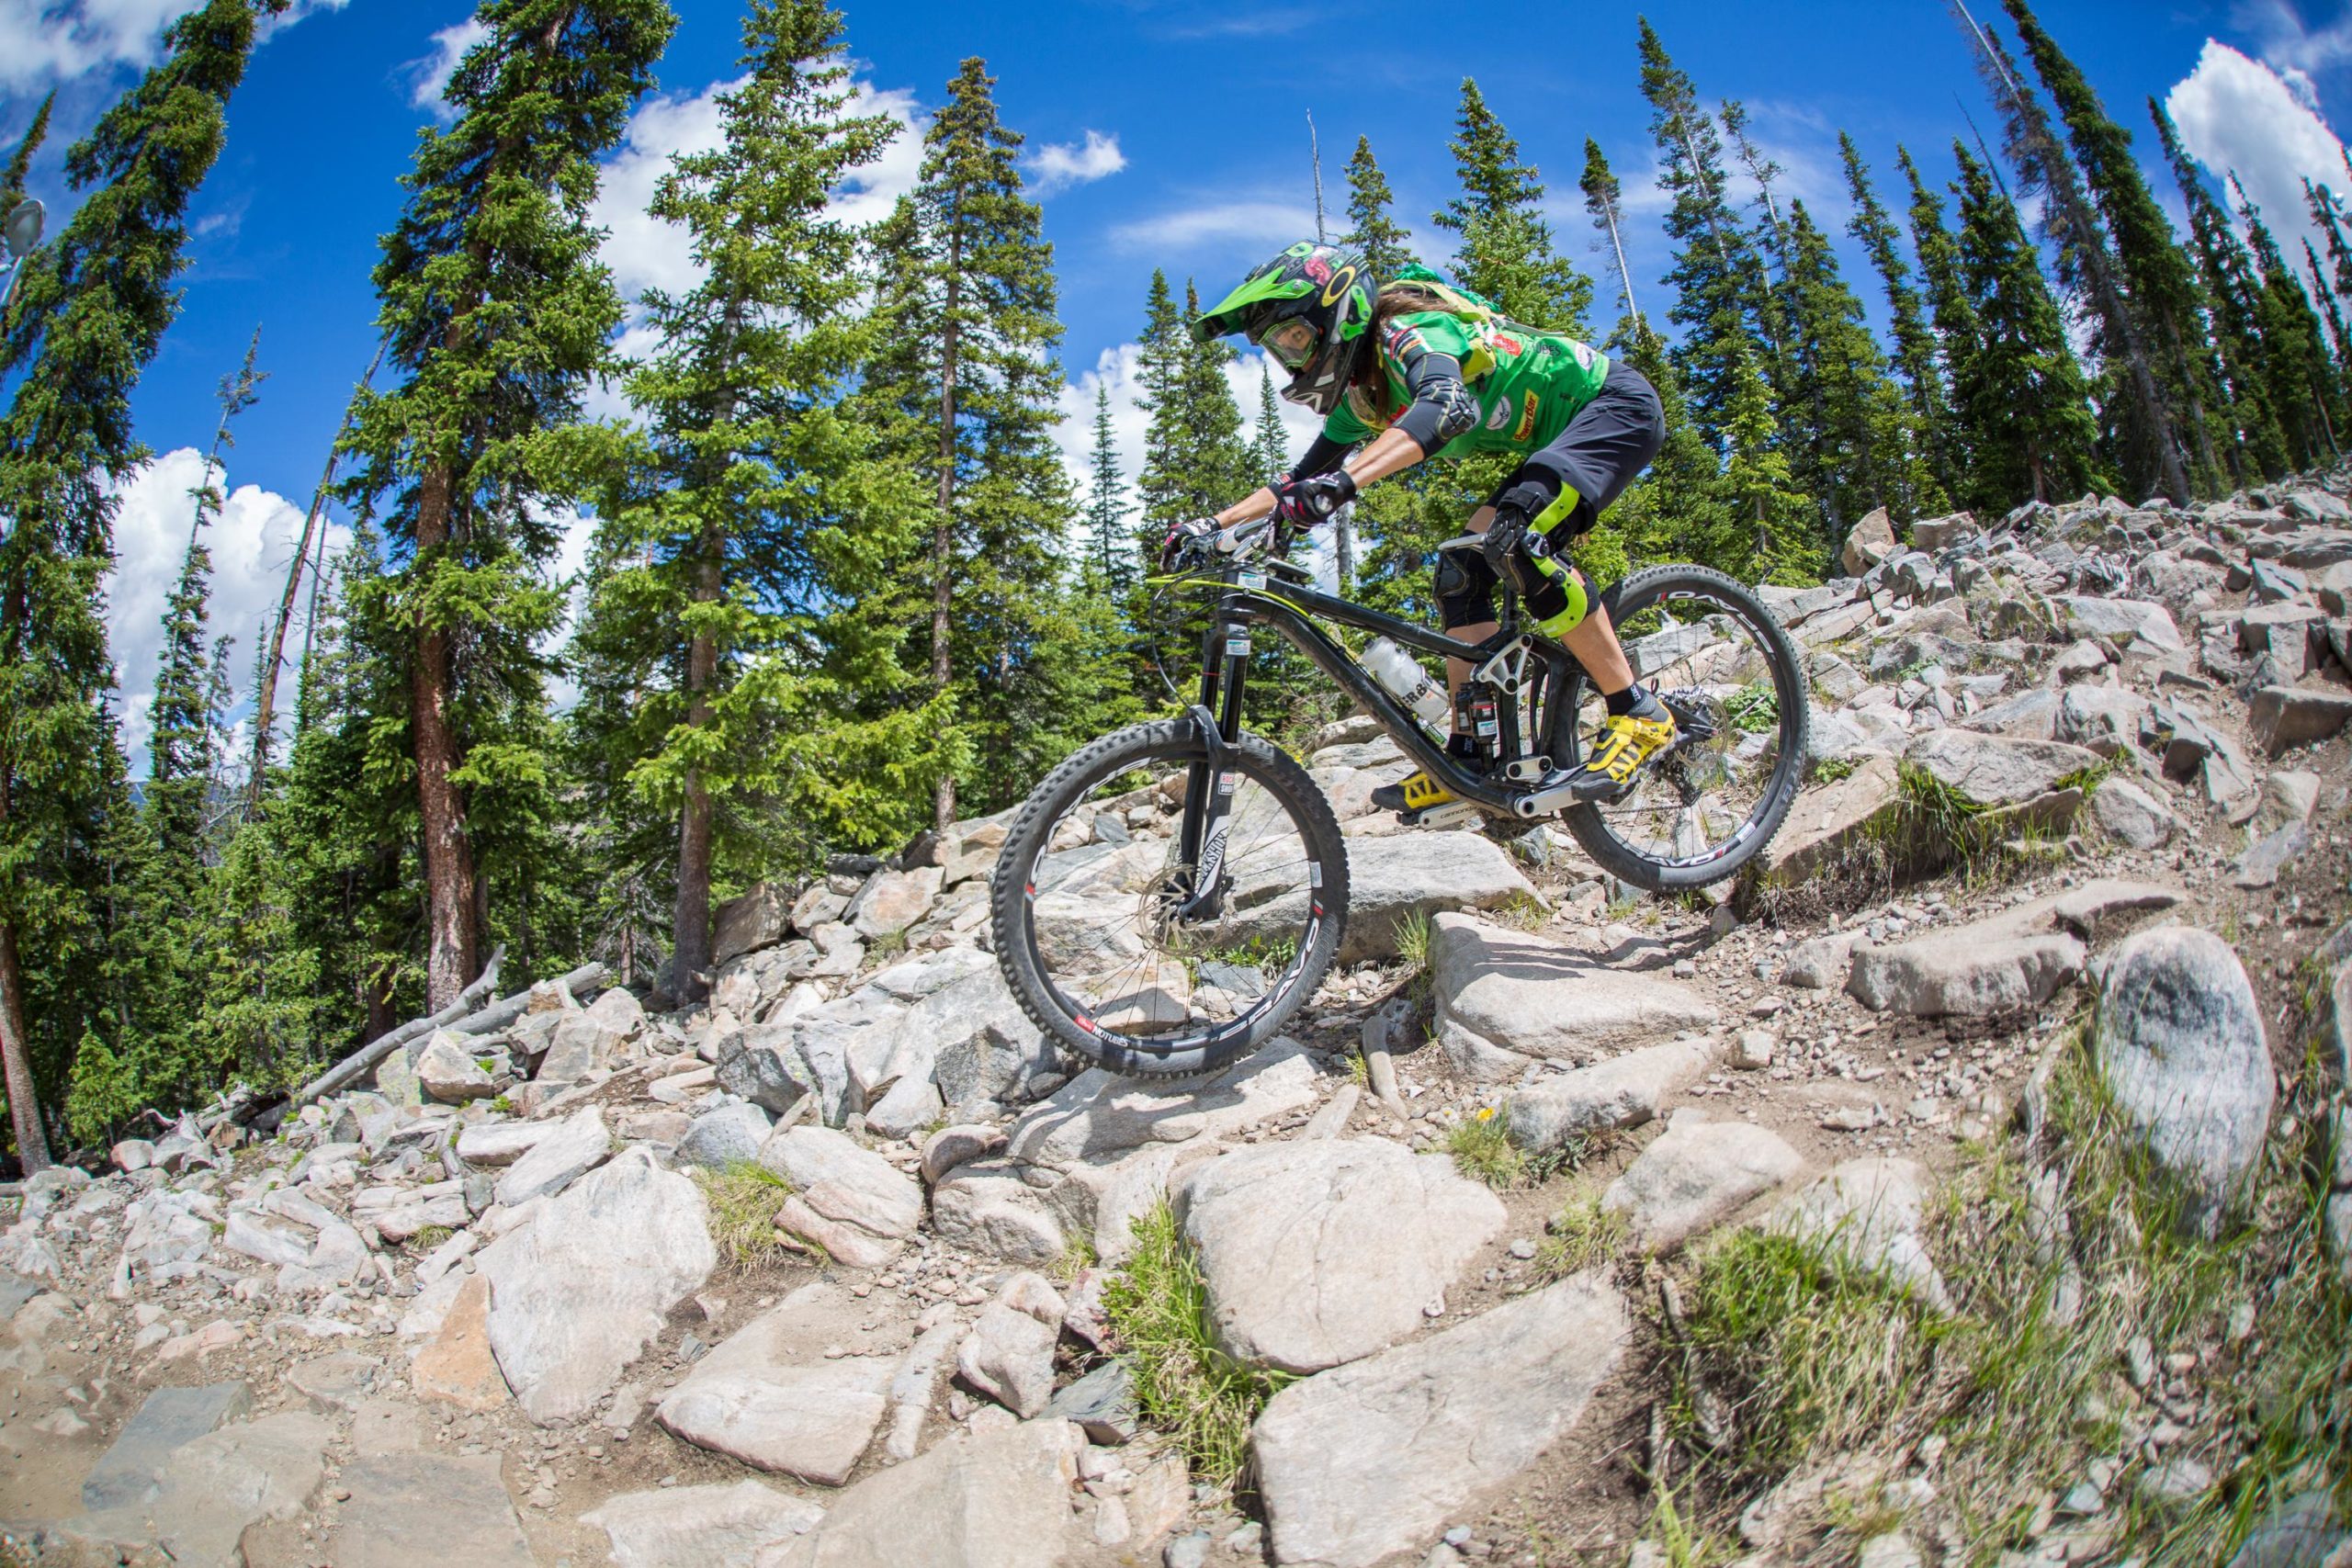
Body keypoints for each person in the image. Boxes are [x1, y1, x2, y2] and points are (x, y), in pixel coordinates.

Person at [1172, 241, 1677, 816]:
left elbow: (1444, 406)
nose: (1291, 358)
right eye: (1278, 348)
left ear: (1335, 313)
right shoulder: (1360, 399)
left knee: (1515, 540)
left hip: (1616, 407)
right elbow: (1298, 478)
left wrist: (1346, 484)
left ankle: (1636, 709)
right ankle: (1469, 754)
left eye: (1293, 337)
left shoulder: (1412, 332)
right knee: (1462, 569)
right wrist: (1212, 524)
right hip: (1555, 440)